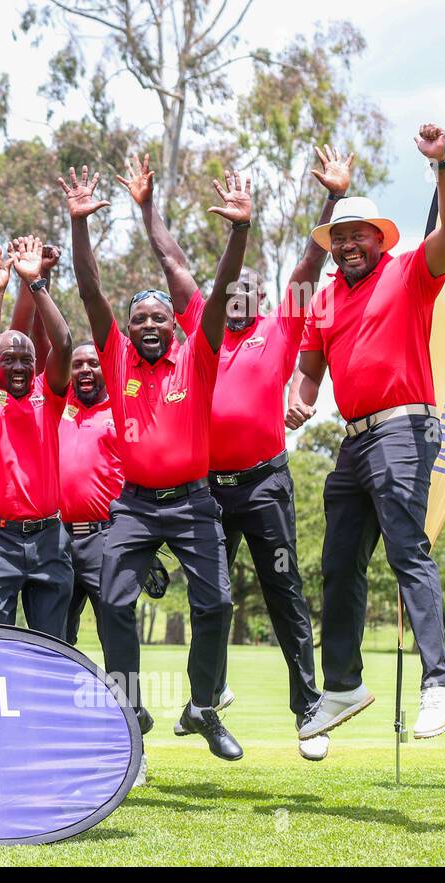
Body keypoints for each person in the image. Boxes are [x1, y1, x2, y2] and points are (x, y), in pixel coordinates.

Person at [118, 148, 352, 761]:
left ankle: (309, 710)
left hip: (264, 484)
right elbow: (170, 259)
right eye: (234, 285)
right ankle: (207, 700)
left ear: (264, 297)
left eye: (253, 287)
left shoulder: (282, 327)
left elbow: (309, 263)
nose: (242, 292)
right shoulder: (198, 324)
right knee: (210, 597)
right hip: (202, 490)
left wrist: (330, 201)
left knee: (283, 590)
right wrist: (146, 210)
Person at [62, 164, 253, 761]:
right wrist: (79, 226)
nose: (147, 324)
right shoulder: (116, 359)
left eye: (157, 317)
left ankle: (201, 707)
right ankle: (129, 709)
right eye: (138, 317)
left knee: (217, 603)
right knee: (115, 604)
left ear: (175, 323)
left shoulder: (198, 355)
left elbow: (218, 292)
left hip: (194, 501)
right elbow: (91, 290)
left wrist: (239, 234)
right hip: (134, 504)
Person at [289, 123, 445, 742]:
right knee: (338, 563)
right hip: (353, 442)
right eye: (337, 238)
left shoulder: (410, 270)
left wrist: (442, 165)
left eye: (356, 235)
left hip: (403, 430)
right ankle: (342, 685)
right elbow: (309, 372)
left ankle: (439, 684)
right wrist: (301, 399)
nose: (345, 246)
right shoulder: (324, 301)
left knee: (405, 551)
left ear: (379, 237)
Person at [0, 237, 74, 637]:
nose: (20, 366)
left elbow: (63, 344)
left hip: (49, 537)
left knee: (53, 643)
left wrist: (38, 283)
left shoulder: (50, 394)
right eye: (11, 360)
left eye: (27, 359)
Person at [59, 343, 125, 645]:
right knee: (54, 633)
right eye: (78, 365)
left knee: (114, 628)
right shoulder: (58, 404)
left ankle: (123, 694)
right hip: (57, 539)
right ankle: (56, 693)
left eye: (93, 364)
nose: (85, 370)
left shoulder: (123, 408)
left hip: (105, 537)